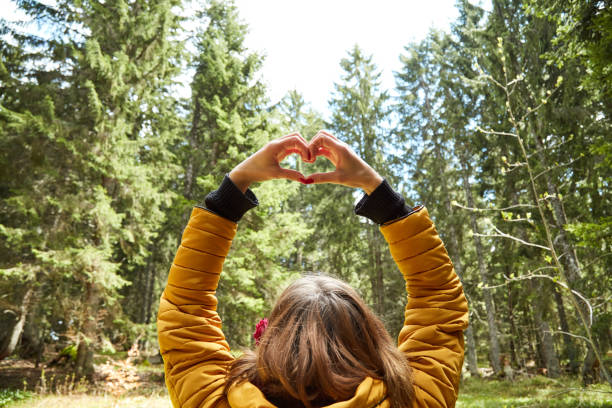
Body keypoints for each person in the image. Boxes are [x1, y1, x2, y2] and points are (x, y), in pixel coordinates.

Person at [157, 131, 469, 408]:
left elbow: (185, 311)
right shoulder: (414, 400)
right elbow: (439, 303)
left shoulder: (215, 401)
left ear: (274, 339)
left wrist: (235, 187)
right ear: (369, 341)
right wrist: (378, 192)